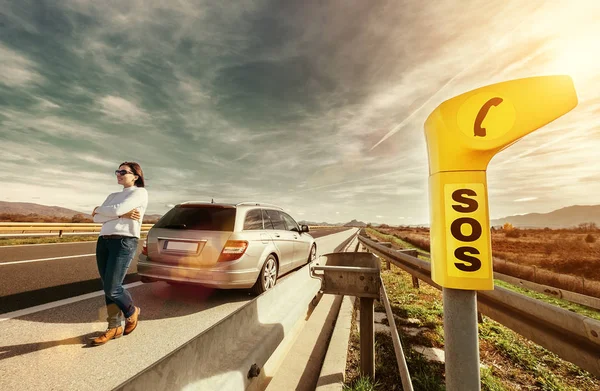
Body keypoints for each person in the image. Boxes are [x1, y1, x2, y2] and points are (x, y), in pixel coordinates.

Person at [90, 162, 148, 346]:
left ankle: (131, 312)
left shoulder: (140, 193)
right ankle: (113, 327)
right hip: (104, 241)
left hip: (124, 241)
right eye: (117, 171)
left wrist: (102, 209)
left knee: (113, 287)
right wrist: (121, 215)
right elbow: (96, 218)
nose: (119, 174)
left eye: (123, 171)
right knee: (108, 286)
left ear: (136, 176)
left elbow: (112, 210)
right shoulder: (113, 195)